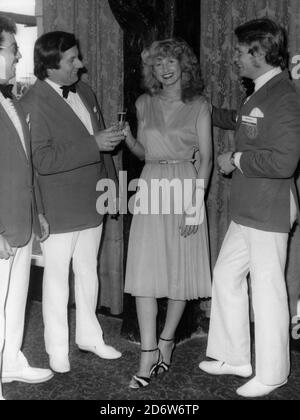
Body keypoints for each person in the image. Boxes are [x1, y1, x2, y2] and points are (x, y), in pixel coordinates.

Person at [199, 18, 300, 398]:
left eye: (241, 52)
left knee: (269, 291)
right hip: (249, 210)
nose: (235, 58)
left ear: (259, 53)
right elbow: (243, 121)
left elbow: (284, 162)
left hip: (269, 208)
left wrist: (237, 159)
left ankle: (273, 373)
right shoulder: (261, 91)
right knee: (225, 277)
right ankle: (234, 356)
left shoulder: (285, 96)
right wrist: (206, 110)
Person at [20, 31, 124, 374]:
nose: (81, 64)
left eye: (78, 56)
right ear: (50, 68)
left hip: (92, 201)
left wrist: (111, 190)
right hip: (58, 206)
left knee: (87, 272)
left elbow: (104, 146)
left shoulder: (85, 91)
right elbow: (42, 161)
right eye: (72, 60)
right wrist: (93, 143)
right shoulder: (32, 102)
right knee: (56, 280)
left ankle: (90, 337)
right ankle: (56, 349)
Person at [124, 38, 212, 389]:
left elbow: (205, 158)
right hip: (150, 184)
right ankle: (148, 352)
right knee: (144, 271)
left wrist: (195, 204)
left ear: (183, 65)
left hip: (184, 185)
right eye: (158, 63)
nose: (164, 68)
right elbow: (145, 152)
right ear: (152, 70)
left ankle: (166, 341)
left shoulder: (199, 105)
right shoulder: (143, 102)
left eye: (170, 61)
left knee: (179, 270)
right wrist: (128, 138)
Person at [0, 16, 54, 400]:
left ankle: (10, 362)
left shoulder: (10, 99)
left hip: (20, 220)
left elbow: (22, 163)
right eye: (11, 49)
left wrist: (37, 211)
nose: (19, 57)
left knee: (15, 300)